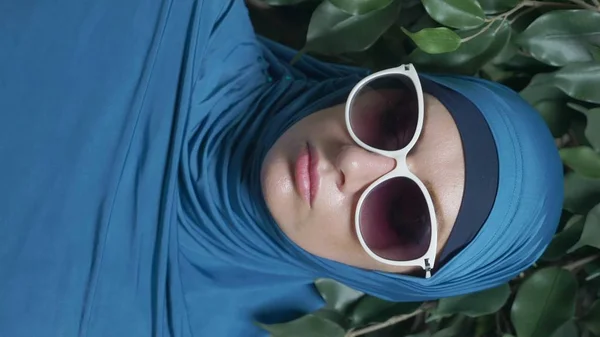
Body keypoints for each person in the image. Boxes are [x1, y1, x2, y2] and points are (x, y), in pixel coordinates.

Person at [0, 0, 563, 336]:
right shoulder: (166, 15)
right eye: (395, 120)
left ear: (397, 283)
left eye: (403, 215)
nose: (352, 162)